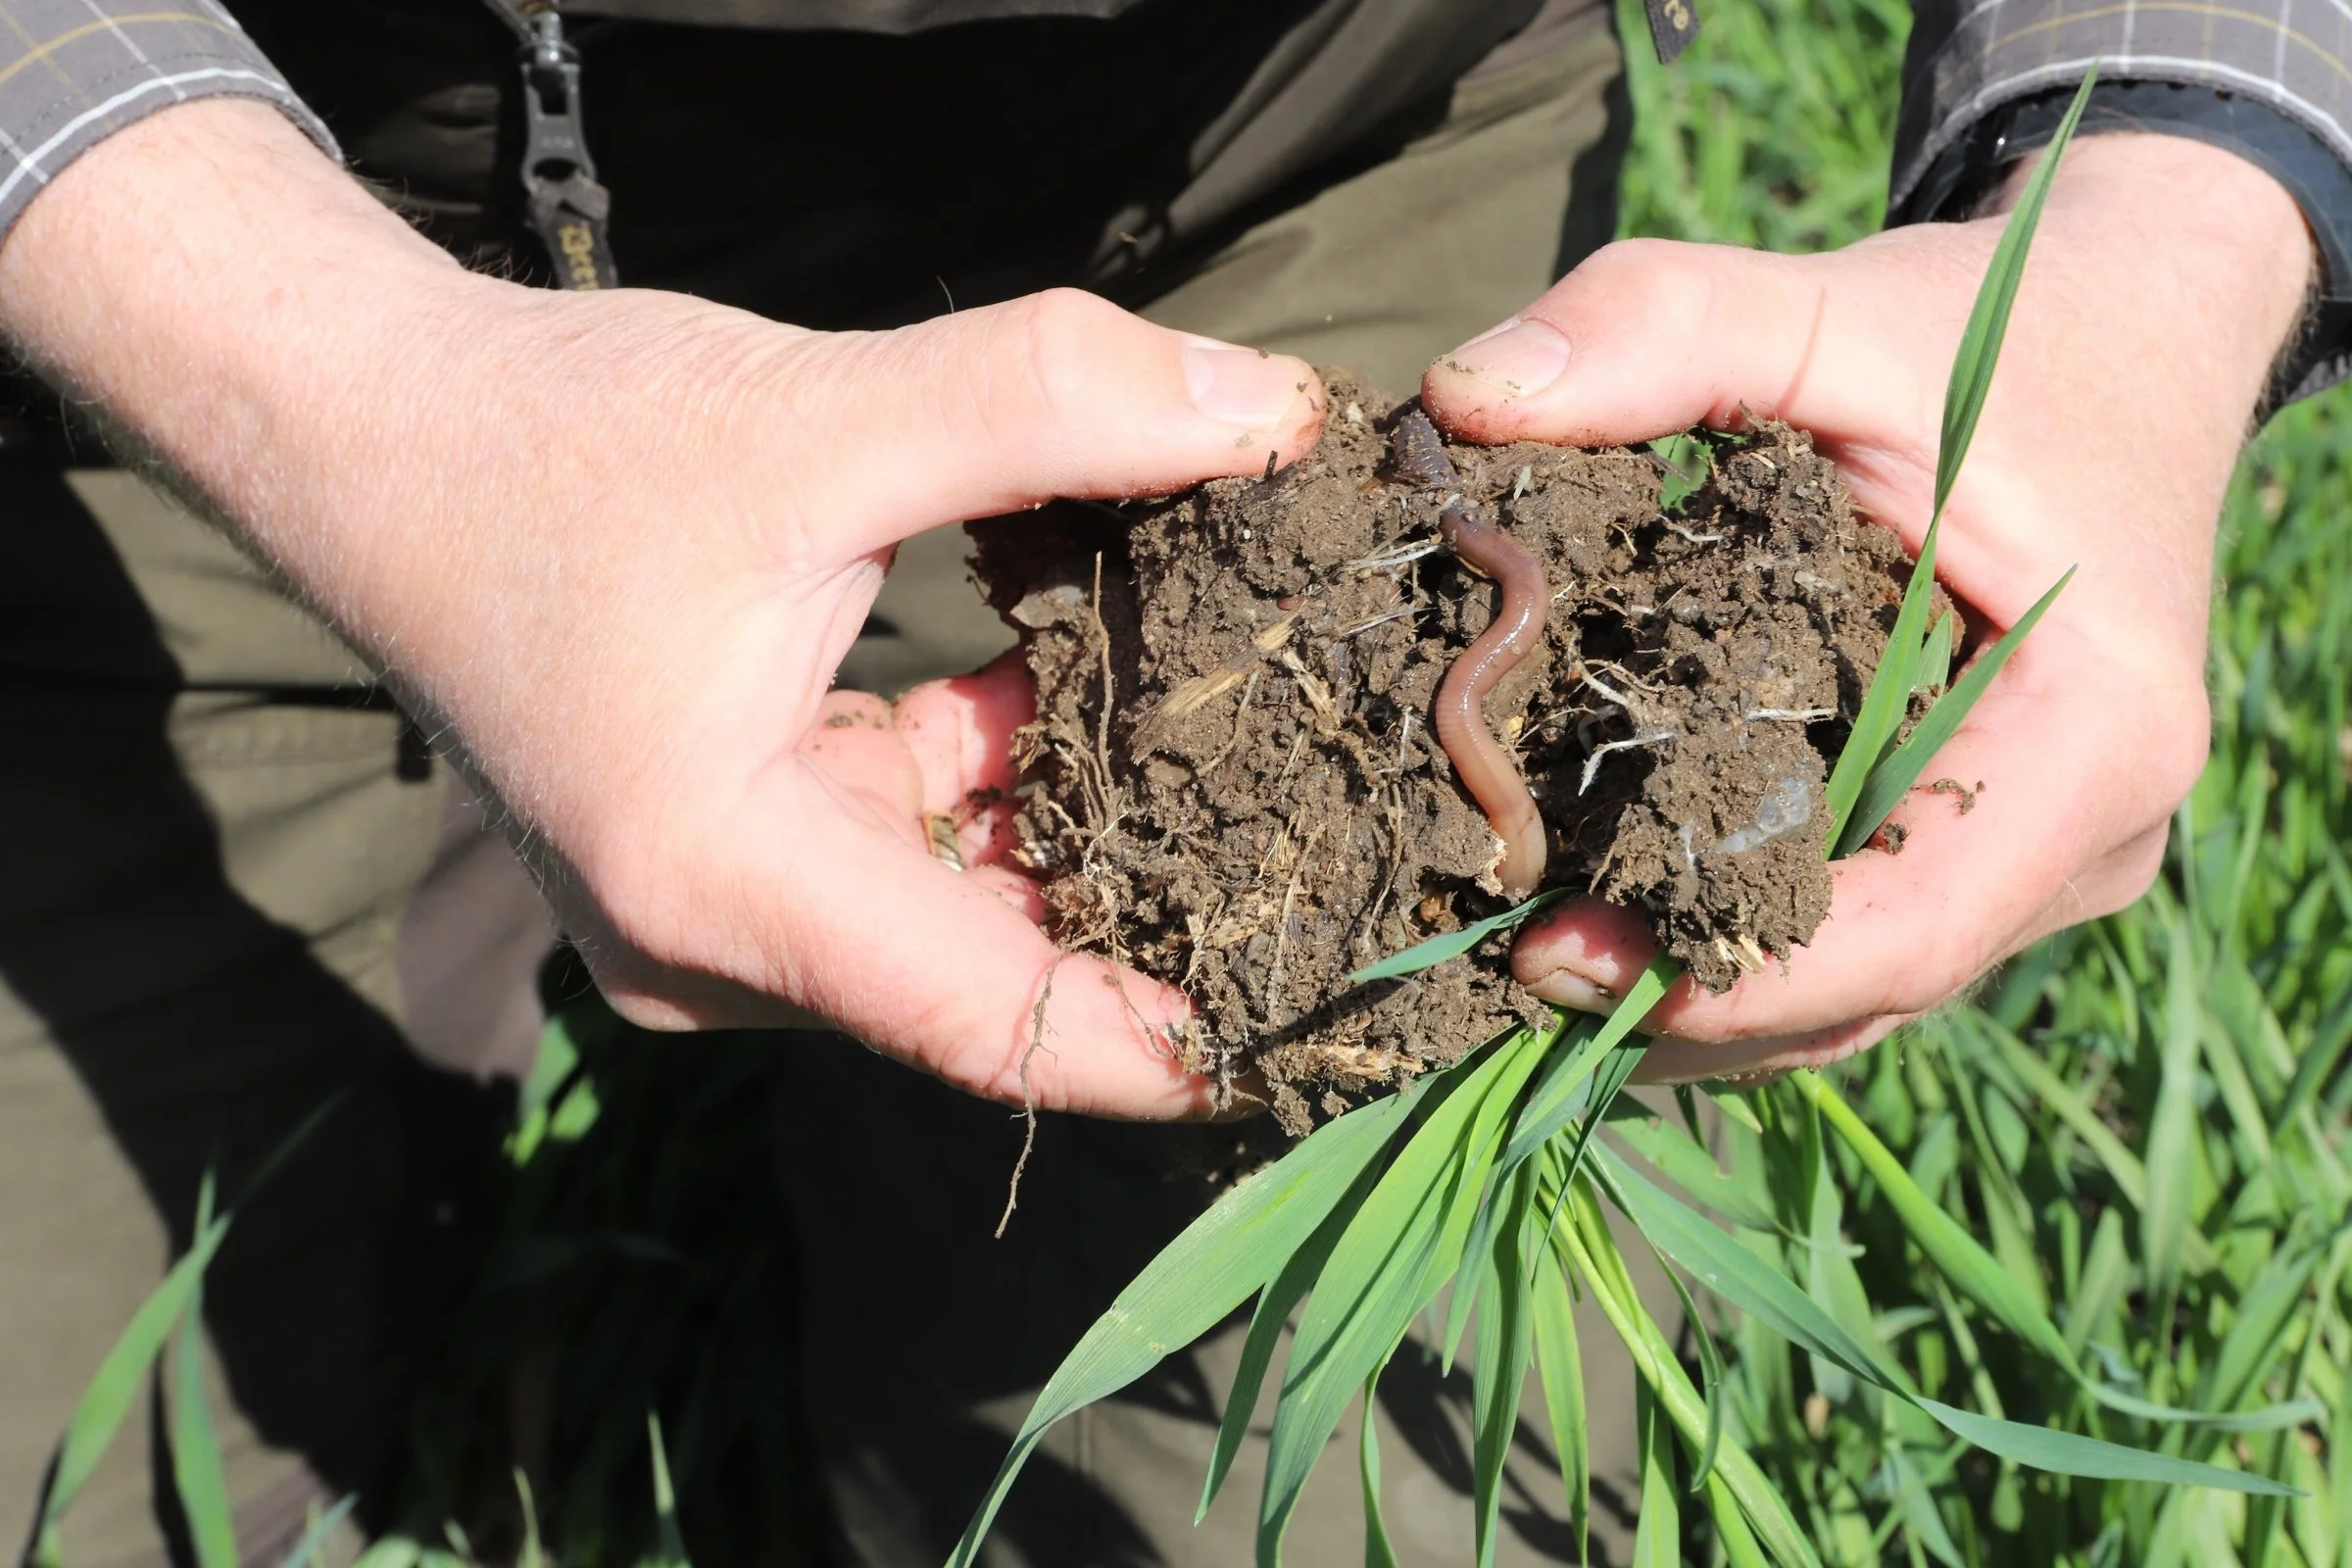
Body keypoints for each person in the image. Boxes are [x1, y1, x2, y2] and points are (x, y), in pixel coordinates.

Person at [0, 0, 2338, 1563]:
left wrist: (2157, 207)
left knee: (1316, 1487)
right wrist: (309, 350)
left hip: (1260, 242)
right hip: (158, 281)